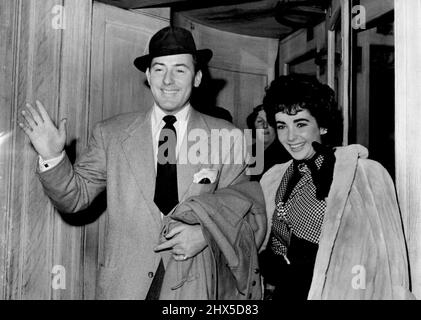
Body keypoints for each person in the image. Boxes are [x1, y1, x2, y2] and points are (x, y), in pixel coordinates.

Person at [18, 26, 255, 299]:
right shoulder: (111, 133)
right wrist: (52, 157)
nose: (168, 80)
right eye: (159, 69)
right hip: (125, 286)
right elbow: (74, 198)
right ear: (148, 76)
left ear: (198, 77)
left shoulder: (227, 137)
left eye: (180, 69)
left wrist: (206, 235)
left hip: (194, 286)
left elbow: (241, 214)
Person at [258, 74, 413, 300]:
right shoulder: (274, 177)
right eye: (282, 126)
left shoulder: (364, 173)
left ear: (322, 126)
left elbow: (393, 256)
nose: (290, 136)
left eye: (301, 124)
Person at [246, 104, 290, 181]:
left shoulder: (286, 153)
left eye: (269, 122)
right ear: (253, 126)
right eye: (260, 121)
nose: (265, 126)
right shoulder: (247, 152)